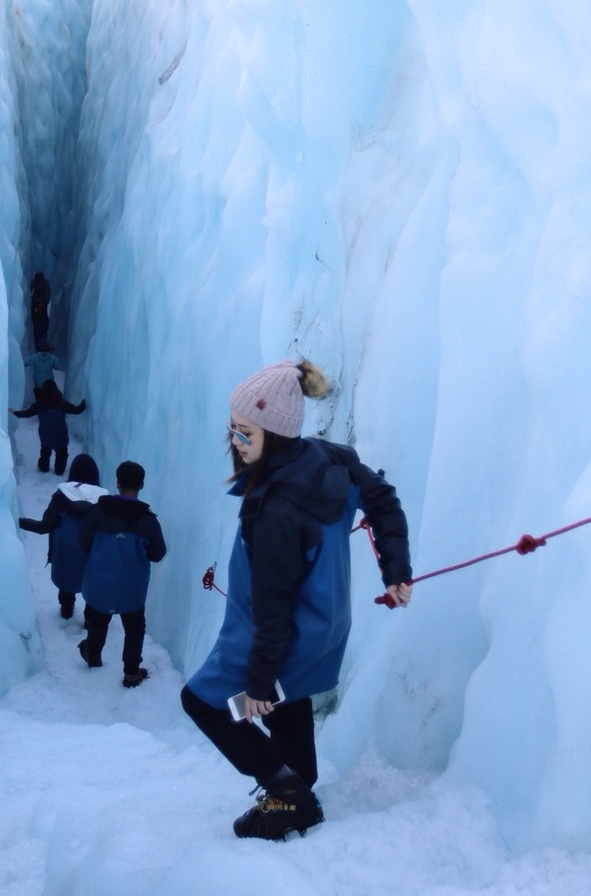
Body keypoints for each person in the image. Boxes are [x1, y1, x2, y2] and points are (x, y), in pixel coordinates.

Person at [181, 360, 411, 841]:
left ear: (276, 433)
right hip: (323, 632)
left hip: (276, 640)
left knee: (207, 705)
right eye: (234, 429)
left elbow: (273, 607)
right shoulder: (332, 460)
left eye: (245, 432)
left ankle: (288, 793)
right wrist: (397, 571)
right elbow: (384, 501)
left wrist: (258, 682)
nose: (236, 442)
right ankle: (299, 777)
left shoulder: (274, 511)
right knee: (286, 697)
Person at [76, 461, 167, 687]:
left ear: (117, 483)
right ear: (142, 485)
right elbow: (158, 553)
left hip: (100, 582)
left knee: (98, 621)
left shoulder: (99, 512)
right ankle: (131, 672)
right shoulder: (148, 520)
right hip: (132, 587)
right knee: (135, 628)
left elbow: (83, 542)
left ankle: (93, 655)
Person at [18, 453, 105, 618]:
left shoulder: (61, 497)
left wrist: (18, 521)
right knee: (91, 587)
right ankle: (89, 620)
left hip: (65, 555)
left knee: (66, 585)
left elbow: (44, 527)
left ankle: (66, 610)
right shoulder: (103, 502)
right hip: (90, 556)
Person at [12, 379, 87, 475]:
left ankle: (43, 467)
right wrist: (85, 401)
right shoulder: (61, 402)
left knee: (45, 452)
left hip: (45, 435)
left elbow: (27, 413)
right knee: (61, 453)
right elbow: (76, 410)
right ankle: (59, 470)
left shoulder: (39, 403)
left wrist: (15, 413)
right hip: (60, 435)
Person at [30, 271, 51, 349]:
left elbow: (31, 295)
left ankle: (38, 348)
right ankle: (44, 347)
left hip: (36, 312)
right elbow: (48, 297)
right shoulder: (45, 284)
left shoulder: (34, 284)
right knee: (43, 330)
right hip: (43, 312)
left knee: (37, 331)